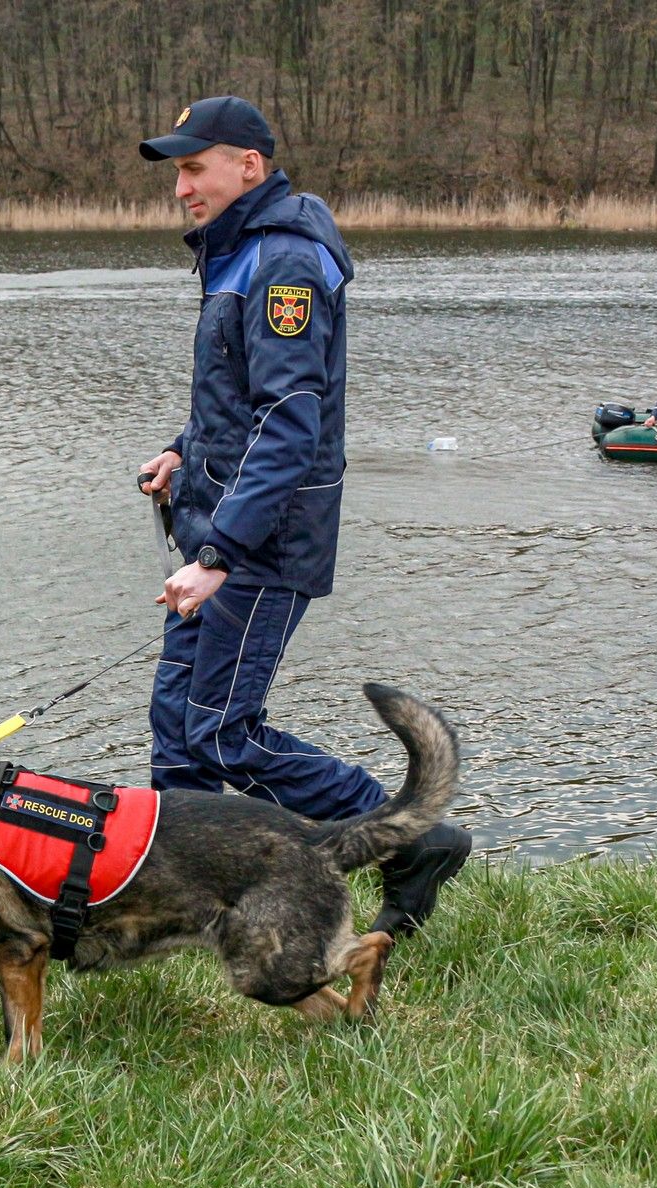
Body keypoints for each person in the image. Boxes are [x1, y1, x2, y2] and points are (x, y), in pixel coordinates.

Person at [136, 96, 471, 941]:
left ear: (248, 164)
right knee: (179, 732)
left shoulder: (283, 262)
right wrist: (183, 449)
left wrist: (217, 552)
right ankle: (165, 895)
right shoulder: (239, 252)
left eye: (193, 166)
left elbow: (290, 424)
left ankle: (410, 836)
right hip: (218, 526)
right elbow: (239, 396)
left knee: (221, 734)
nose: (180, 187)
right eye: (176, 170)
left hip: (259, 542)